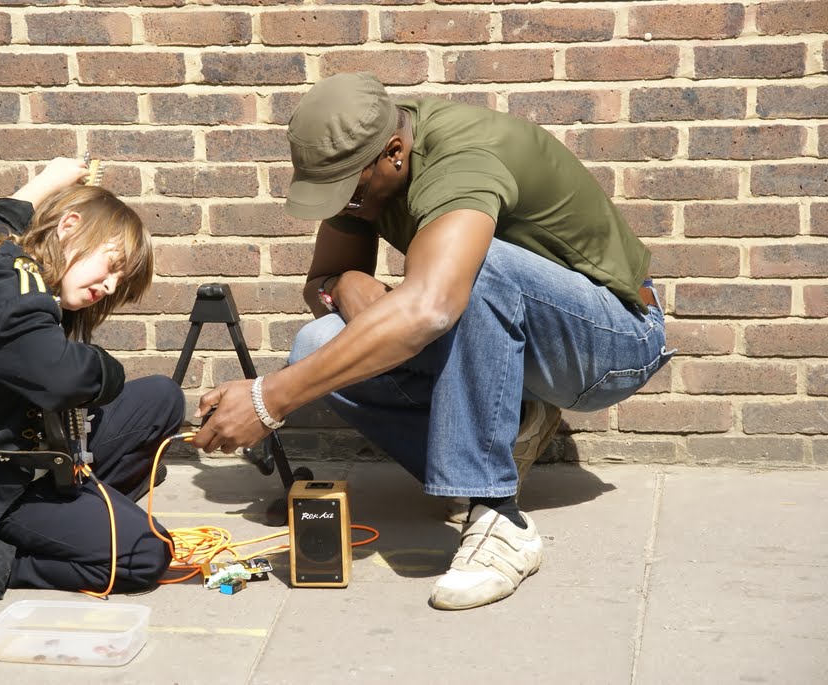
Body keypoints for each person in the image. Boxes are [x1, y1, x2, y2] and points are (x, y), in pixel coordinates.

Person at [191, 72, 674, 611]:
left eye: (347, 191)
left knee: (474, 269)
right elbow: (321, 282)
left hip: (613, 341)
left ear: (395, 154)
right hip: (520, 331)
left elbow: (434, 305)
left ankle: (500, 519)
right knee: (315, 347)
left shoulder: (461, 163)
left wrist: (269, 399)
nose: (342, 205)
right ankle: (509, 431)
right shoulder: (365, 164)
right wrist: (344, 284)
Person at [0, 158, 184, 599]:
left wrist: (48, 180)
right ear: (69, 226)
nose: (111, 286)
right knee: (145, 553)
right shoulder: (13, 286)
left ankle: (81, 513)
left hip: (41, 454)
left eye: (121, 280)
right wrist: (107, 368)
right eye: (112, 265)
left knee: (163, 398)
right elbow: (59, 377)